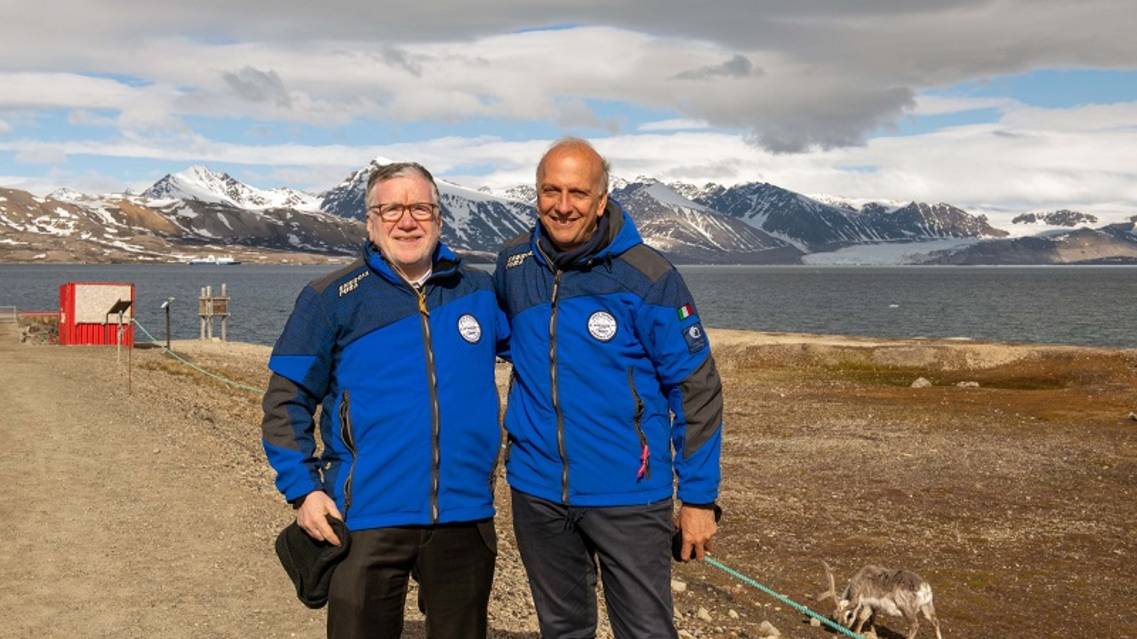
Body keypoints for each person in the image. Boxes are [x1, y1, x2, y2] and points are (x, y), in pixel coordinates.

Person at [261, 162, 508, 639]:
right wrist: (304, 490)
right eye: (391, 209)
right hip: (365, 515)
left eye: (420, 208)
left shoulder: (478, 291)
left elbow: (552, 357)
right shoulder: (329, 297)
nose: (407, 221)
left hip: (465, 513)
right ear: (370, 223)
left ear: (439, 217)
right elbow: (285, 400)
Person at [494, 138, 724, 638]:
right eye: (549, 190)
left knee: (645, 630)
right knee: (563, 627)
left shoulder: (649, 276)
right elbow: (501, 340)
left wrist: (699, 500)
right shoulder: (513, 264)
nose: (562, 205)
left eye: (578, 192)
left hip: (630, 492)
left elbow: (697, 387)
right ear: (535, 195)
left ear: (601, 200)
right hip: (538, 491)